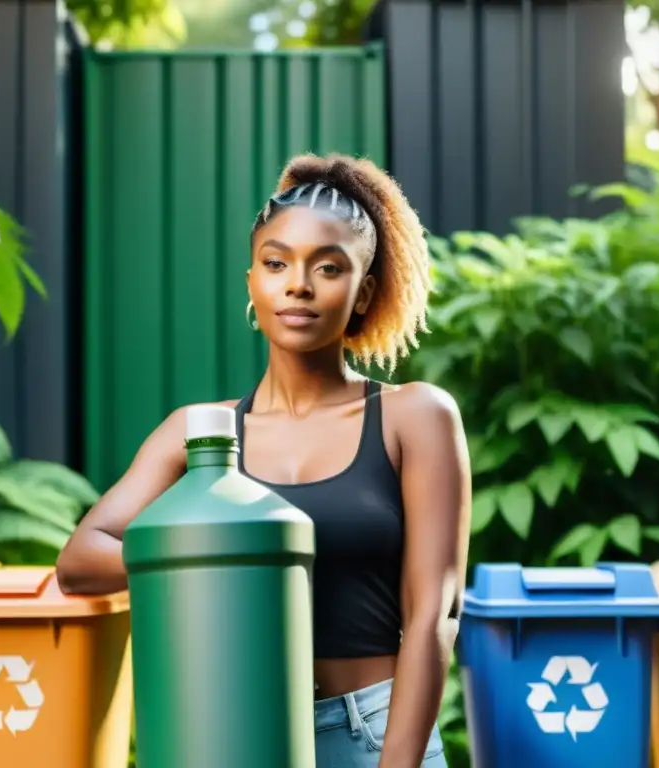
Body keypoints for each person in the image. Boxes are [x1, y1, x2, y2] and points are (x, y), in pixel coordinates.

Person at [56, 153, 472, 768]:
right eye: (276, 263)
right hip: (232, 732)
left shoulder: (415, 418)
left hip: (374, 732)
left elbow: (435, 613)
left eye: (328, 268)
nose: (298, 284)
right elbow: (79, 560)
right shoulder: (198, 433)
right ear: (252, 281)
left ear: (365, 293)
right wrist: (225, 561)